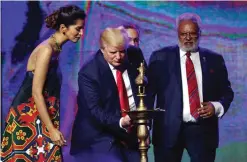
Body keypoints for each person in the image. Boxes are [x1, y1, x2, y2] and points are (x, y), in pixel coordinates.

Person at [0, 5, 86, 162]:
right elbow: (36, 92)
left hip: (42, 117)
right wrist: (51, 129)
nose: (81, 33)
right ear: (63, 28)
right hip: (27, 120)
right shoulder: (47, 50)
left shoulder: (55, 48)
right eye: (78, 28)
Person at [147, 13, 234, 162]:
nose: (187, 38)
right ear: (177, 34)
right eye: (183, 34)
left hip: (202, 131)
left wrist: (216, 106)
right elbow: (148, 95)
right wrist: (145, 126)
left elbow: (227, 92)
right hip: (167, 131)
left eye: (192, 33)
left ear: (199, 33)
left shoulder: (214, 59)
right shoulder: (160, 58)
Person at [70, 27, 143, 162]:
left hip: (130, 135)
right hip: (99, 136)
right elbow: (95, 111)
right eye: (113, 52)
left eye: (122, 52)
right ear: (102, 49)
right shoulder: (89, 73)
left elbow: (144, 90)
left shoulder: (134, 54)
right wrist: (121, 122)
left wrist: (144, 125)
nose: (118, 56)